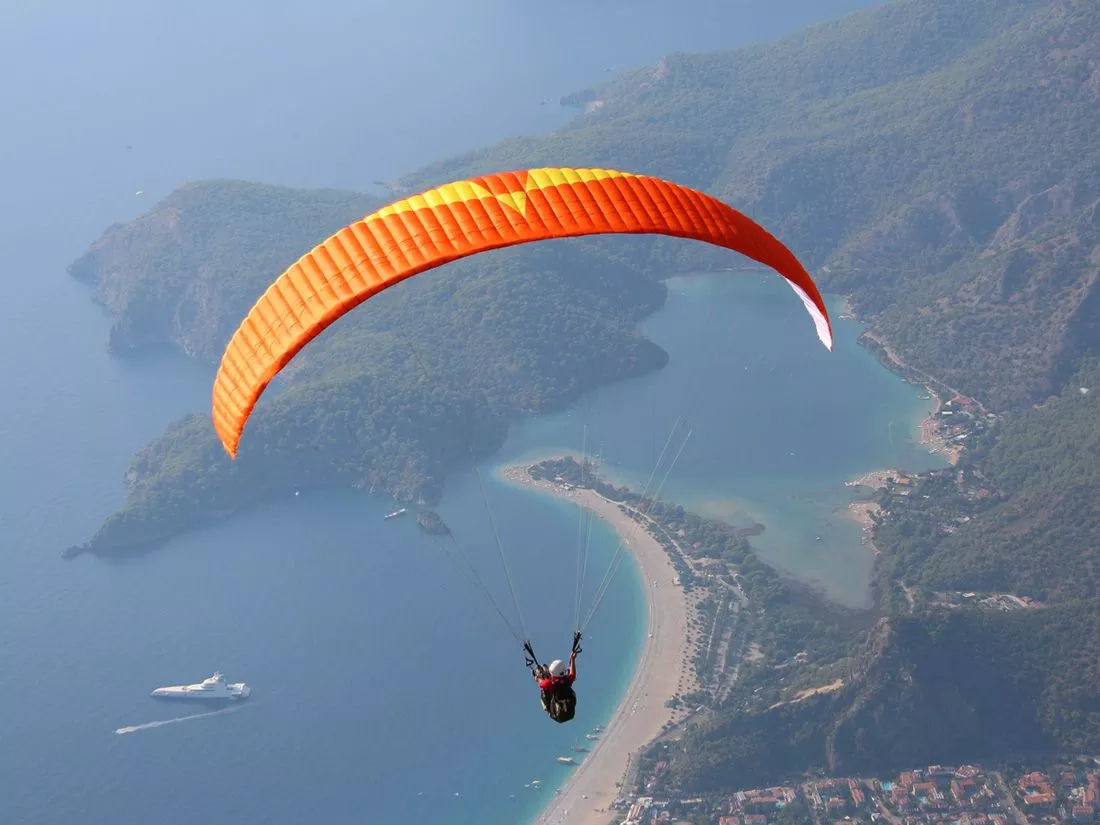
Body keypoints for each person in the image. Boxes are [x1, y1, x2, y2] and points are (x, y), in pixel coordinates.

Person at [533, 648, 578, 723]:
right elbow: (572, 674)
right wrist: (572, 659)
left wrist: (538, 678)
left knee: (544, 692)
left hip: (556, 715)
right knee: (550, 688)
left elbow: (541, 683)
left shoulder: (550, 684)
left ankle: (549, 707)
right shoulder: (567, 680)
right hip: (569, 711)